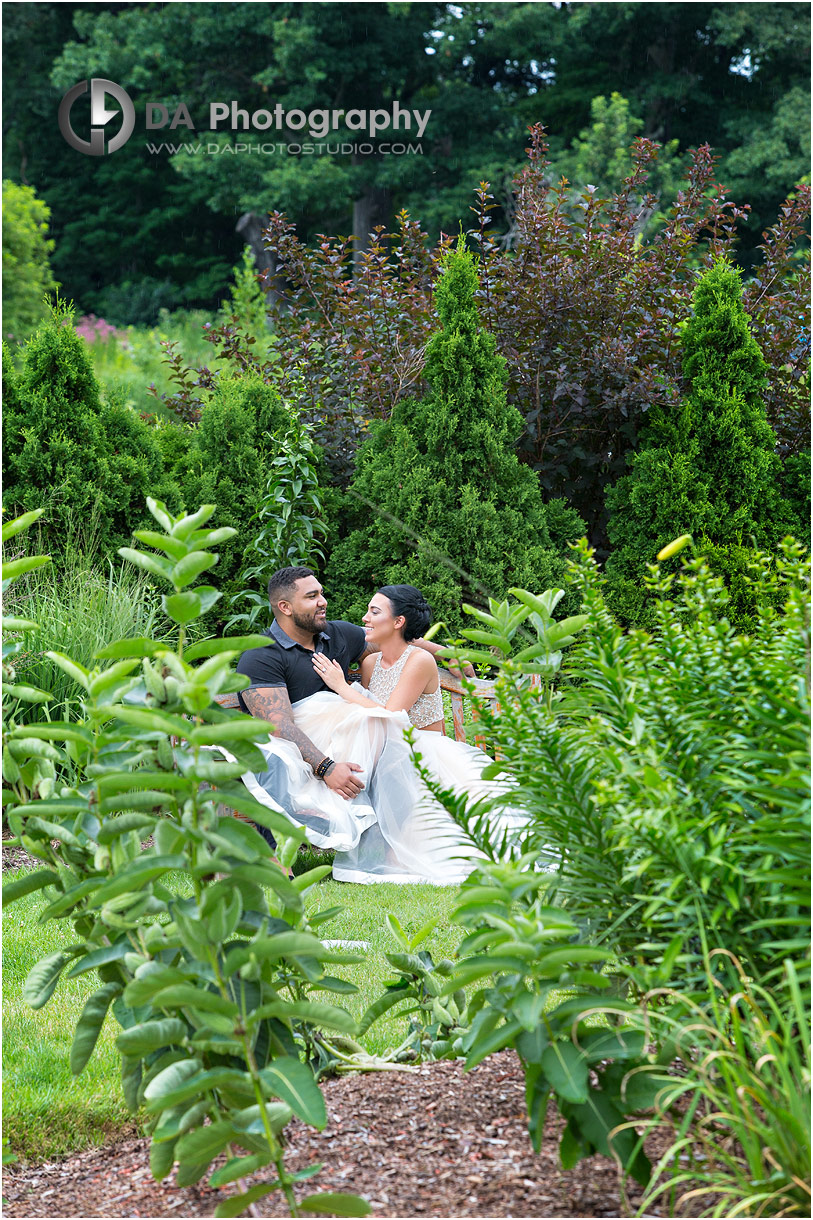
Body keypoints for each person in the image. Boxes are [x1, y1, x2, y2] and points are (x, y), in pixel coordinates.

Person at [235, 567, 487, 883]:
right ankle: (274, 856)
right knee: (274, 756)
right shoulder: (261, 653)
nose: (322, 601)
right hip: (297, 745)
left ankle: (388, 848)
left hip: (348, 742)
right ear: (285, 607)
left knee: (387, 736)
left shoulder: (335, 635)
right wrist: (326, 767)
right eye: (312, 596)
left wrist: (443, 651)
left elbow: (389, 639)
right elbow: (278, 726)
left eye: (321, 593)